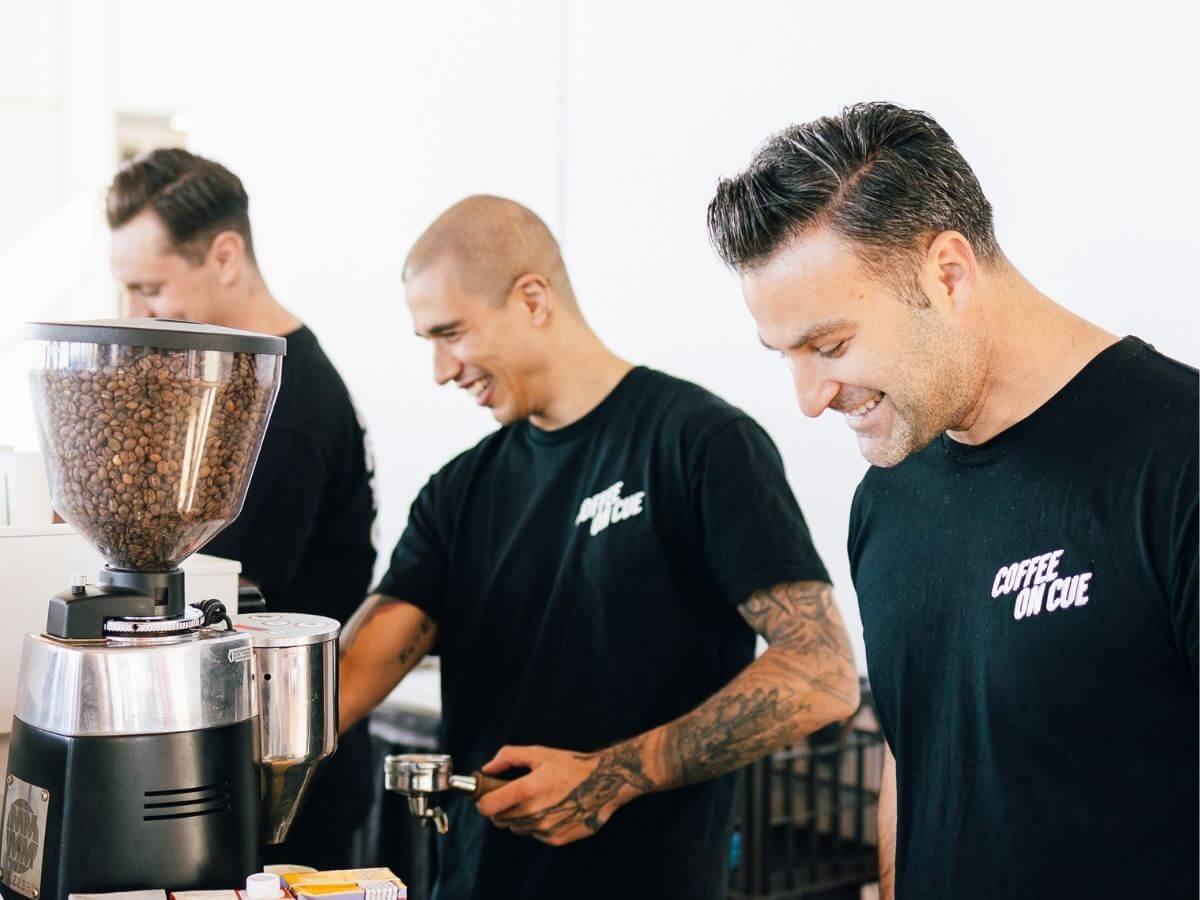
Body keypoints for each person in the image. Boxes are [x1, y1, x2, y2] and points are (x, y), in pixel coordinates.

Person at [707, 101, 1198, 899]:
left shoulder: (1180, 463)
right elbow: (915, 759)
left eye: (829, 345)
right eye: (786, 355)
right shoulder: (888, 498)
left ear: (948, 273)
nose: (808, 396)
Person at [338, 195, 859, 899]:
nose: (440, 369)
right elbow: (346, 682)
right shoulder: (459, 491)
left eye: (451, 332)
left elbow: (821, 675)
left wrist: (613, 774)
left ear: (532, 298)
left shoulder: (698, 444)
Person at [106, 149, 378, 867]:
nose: (136, 314)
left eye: (150, 287)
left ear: (225, 255)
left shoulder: (285, 409)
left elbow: (211, 589)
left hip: (282, 778)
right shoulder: (229, 385)